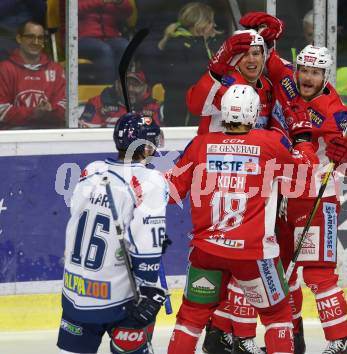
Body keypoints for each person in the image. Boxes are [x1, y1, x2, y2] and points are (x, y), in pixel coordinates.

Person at [166, 84, 314, 354]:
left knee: (191, 317)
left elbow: (171, 191)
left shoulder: (200, 144)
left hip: (206, 250)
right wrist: (303, 140)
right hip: (253, 255)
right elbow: (303, 175)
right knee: (277, 315)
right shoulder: (270, 142)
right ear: (254, 112)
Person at [268, 44, 347, 354]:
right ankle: (292, 340)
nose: (308, 77)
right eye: (304, 70)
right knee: (284, 273)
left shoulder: (335, 111)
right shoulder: (289, 89)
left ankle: (340, 343)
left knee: (318, 276)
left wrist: (343, 153)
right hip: (283, 198)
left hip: (319, 201)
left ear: (325, 76)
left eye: (315, 73)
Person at [57, 112, 169, 354]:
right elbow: (146, 248)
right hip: (120, 299)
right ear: (147, 147)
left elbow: (78, 216)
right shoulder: (151, 181)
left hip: (76, 292)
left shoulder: (91, 171)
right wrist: (149, 290)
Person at [159, 2, 223, 126]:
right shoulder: (179, 44)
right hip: (183, 113)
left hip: (200, 107)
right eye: (210, 22)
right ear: (200, 24)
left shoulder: (203, 44)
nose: (214, 25)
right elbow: (189, 77)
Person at [0, 20, 66, 130]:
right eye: (30, 37)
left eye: (40, 38)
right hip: (13, 136)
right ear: (19, 39)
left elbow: (66, 106)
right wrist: (33, 112)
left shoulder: (56, 69)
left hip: (50, 133)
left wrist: (51, 110)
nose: (36, 42)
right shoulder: (4, 69)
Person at [79, 71, 162, 128]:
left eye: (136, 85)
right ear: (116, 84)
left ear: (145, 88)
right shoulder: (97, 102)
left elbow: (155, 135)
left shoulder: (153, 106)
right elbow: (89, 134)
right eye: (125, 84)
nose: (130, 89)